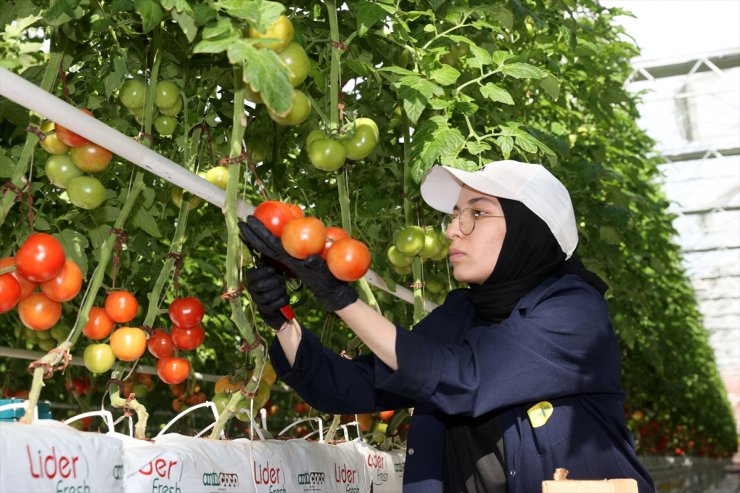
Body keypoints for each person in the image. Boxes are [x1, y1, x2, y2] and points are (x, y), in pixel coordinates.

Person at [239, 160, 655, 493]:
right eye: (456, 215)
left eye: (478, 213)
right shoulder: (460, 313)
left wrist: (343, 301)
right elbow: (347, 387)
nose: (454, 229)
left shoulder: (573, 311)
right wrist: (282, 320)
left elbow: (465, 380)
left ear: (529, 230)